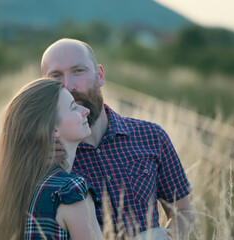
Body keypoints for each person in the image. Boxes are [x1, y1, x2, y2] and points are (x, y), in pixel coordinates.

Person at [41, 38, 195, 239]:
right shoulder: (42, 155)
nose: (69, 85)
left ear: (100, 75)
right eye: (56, 76)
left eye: (78, 71)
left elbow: (183, 212)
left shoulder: (151, 136)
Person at [0, 78, 103, 240]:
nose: (85, 111)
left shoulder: (1, 195)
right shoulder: (69, 191)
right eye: (73, 107)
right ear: (53, 129)